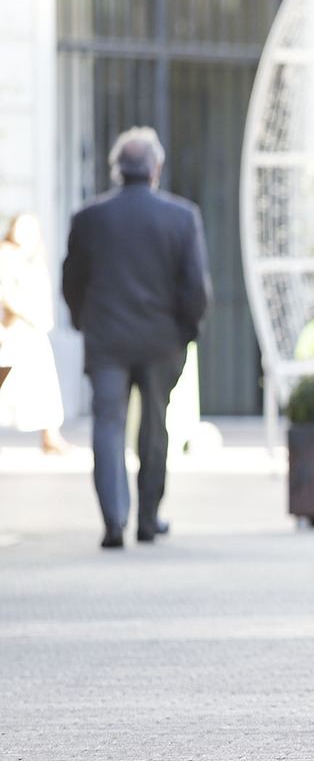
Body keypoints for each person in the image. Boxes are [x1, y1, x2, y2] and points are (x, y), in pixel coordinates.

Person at [62, 128, 211, 549]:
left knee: (108, 426)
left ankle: (114, 519)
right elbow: (196, 288)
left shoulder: (89, 218)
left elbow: (71, 281)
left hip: (107, 339)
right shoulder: (181, 217)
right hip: (160, 341)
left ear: (116, 169)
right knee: (154, 429)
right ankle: (147, 518)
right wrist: (187, 331)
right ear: (155, 168)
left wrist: (83, 321)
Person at [0, 213, 69, 454]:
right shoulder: (6, 254)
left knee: (44, 384)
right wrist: (29, 315)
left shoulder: (33, 256)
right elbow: (6, 294)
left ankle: (51, 436)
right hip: (13, 329)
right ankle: (51, 436)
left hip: (32, 331)